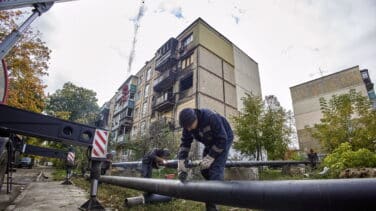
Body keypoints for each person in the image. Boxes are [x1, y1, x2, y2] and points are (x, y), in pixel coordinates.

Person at [177, 108, 233, 211]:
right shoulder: (187, 125)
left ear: (196, 118)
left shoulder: (211, 117)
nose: (189, 129)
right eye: (186, 127)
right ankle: (214, 188)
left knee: (215, 170)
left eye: (190, 126)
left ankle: (213, 206)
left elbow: (222, 140)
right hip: (210, 143)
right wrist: (181, 160)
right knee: (204, 169)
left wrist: (211, 157)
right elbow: (185, 143)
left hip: (224, 139)